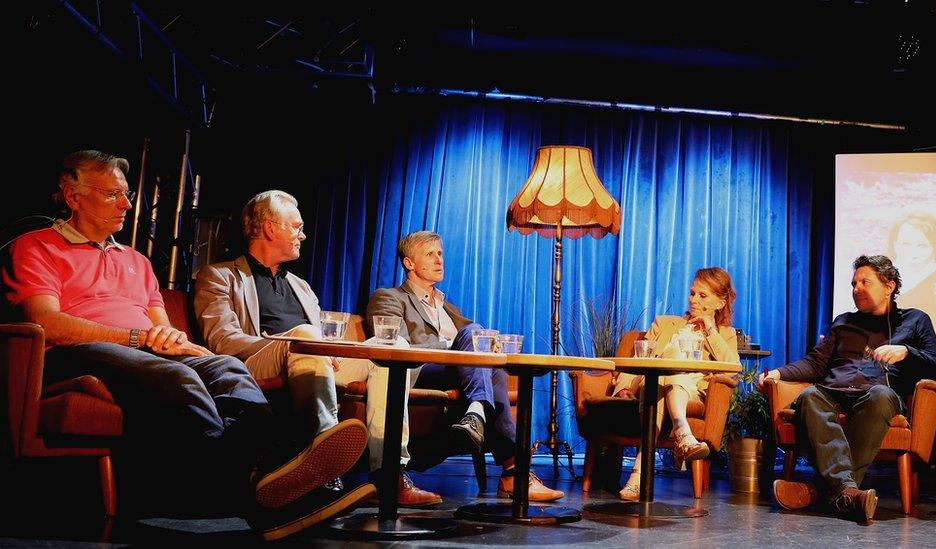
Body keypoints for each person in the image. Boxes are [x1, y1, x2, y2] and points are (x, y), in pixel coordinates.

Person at [1, 151, 374, 541]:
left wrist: (180, 342)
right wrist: (139, 338)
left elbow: (162, 327)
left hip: (145, 349)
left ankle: (270, 475)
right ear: (73, 197)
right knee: (178, 377)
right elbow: (46, 321)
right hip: (80, 349)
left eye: (127, 194)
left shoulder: (137, 260)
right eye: (113, 194)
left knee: (228, 368)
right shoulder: (37, 246)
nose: (128, 204)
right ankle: (258, 492)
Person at [194, 190, 441, 507]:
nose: (303, 234)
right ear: (271, 228)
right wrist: (300, 340)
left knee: (391, 346)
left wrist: (327, 349)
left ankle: (390, 471)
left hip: (313, 356)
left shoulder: (301, 285)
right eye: (296, 227)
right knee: (309, 334)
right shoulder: (220, 275)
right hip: (254, 362)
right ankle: (326, 459)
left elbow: (321, 339)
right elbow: (223, 340)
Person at [366, 230, 564, 502]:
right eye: (429, 254)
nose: (439, 260)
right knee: (474, 337)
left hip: (457, 374)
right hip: (418, 371)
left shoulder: (448, 306)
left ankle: (488, 432)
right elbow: (394, 345)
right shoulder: (388, 297)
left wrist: (486, 345)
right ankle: (511, 471)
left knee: (487, 355)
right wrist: (457, 349)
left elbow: (474, 340)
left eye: (440, 253)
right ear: (409, 263)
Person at [763, 255, 936, 522]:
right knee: (809, 396)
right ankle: (846, 492)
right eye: (853, 283)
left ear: (889, 286)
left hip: (877, 394)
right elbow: (815, 364)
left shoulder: (915, 320)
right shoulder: (843, 321)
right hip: (834, 392)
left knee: (881, 395)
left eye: (865, 282)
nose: (856, 288)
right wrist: (779, 372)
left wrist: (906, 351)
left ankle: (820, 492)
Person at [612, 267, 739, 501]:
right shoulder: (664, 323)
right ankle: (683, 433)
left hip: (687, 390)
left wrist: (709, 329)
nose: (693, 299)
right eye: (692, 293)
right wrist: (624, 387)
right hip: (649, 380)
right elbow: (639, 357)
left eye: (702, 296)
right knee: (664, 372)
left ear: (721, 303)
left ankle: (640, 475)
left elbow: (732, 369)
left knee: (668, 380)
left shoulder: (725, 334)